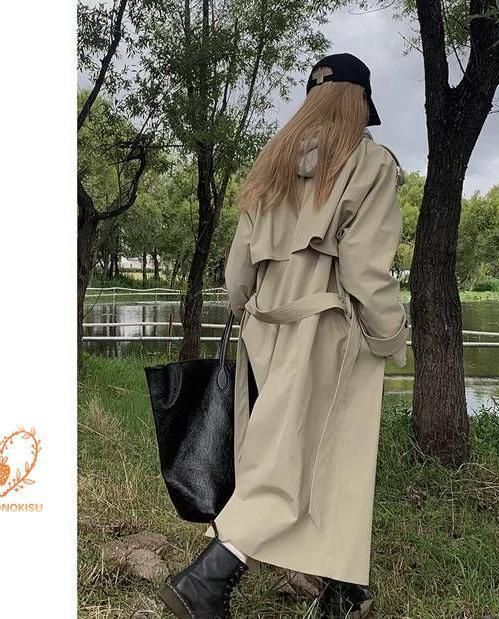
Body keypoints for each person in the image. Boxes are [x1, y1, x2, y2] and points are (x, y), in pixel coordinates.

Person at [158, 53, 409, 619]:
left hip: (265, 328)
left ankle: (342, 589)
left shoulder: (272, 161)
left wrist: (249, 315)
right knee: (302, 465)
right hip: (329, 333)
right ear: (360, 102)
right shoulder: (370, 164)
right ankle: (208, 578)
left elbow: (238, 268)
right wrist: (391, 336)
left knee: (309, 458)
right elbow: (366, 270)